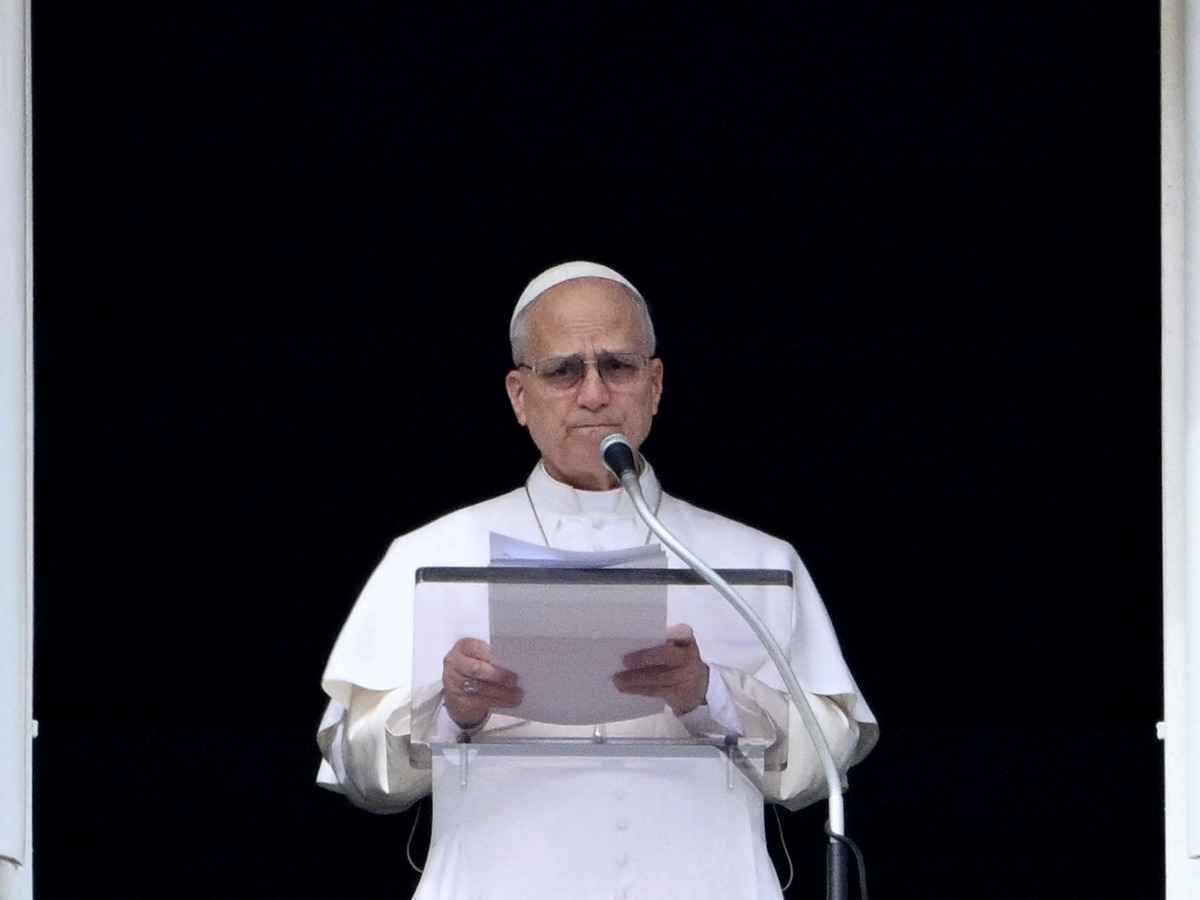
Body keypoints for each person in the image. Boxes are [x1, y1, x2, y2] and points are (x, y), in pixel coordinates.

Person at [316, 261, 877, 899]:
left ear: (655, 383)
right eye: (562, 370)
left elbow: (827, 769)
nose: (593, 393)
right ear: (518, 396)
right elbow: (357, 774)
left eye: (618, 366)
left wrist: (709, 694)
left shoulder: (752, 560)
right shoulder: (429, 555)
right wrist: (451, 708)